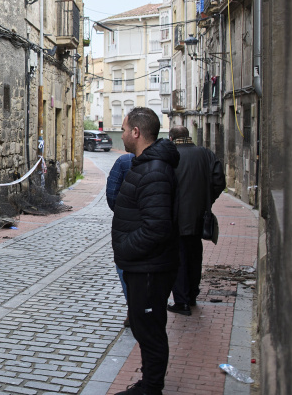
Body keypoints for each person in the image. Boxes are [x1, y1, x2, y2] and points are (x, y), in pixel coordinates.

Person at [111, 107, 180, 395]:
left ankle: (151, 388)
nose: (123, 134)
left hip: (149, 267)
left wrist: (125, 248)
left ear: (136, 133)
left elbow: (156, 227)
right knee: (144, 326)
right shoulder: (145, 164)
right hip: (143, 265)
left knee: (149, 331)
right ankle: (149, 383)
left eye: (125, 129)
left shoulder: (154, 170)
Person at [167, 126, 226, 315]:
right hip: (199, 216)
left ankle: (182, 301)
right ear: (188, 136)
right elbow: (219, 181)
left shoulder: (170, 156)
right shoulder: (205, 154)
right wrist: (207, 201)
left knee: (179, 258)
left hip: (176, 218)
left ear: (171, 137)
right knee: (194, 256)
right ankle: (192, 295)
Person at [106, 152, 135, 327]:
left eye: (124, 130)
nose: (122, 134)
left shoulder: (125, 161)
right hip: (157, 225)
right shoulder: (165, 160)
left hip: (127, 226)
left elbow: (112, 193)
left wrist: (122, 212)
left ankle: (133, 309)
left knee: (124, 268)